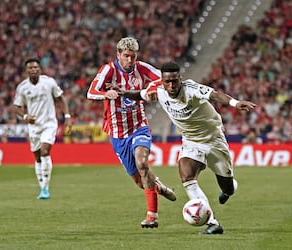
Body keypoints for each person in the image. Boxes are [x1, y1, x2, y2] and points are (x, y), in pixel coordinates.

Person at [116, 61, 257, 234]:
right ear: (162, 81)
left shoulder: (192, 89)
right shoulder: (159, 91)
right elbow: (140, 95)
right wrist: (123, 93)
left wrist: (235, 103)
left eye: (175, 81)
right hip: (191, 141)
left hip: (214, 139)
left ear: (180, 79)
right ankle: (212, 223)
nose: (171, 85)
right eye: (167, 81)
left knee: (227, 186)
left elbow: (215, 95)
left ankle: (229, 189)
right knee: (187, 178)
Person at [86, 37, 176, 229]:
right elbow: (90, 91)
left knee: (143, 163)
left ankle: (152, 216)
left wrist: (149, 89)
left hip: (139, 127)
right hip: (117, 134)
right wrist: (105, 94)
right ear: (118, 54)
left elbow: (163, 79)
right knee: (139, 181)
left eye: (133, 57)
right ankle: (159, 187)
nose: (129, 60)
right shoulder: (108, 70)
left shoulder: (141, 68)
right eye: (126, 56)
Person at [13, 58, 72, 199]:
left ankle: (45, 189)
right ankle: (42, 187)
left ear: (40, 69)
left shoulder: (49, 82)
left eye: (36, 67)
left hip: (49, 123)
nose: (34, 70)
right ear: (26, 71)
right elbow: (16, 107)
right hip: (34, 126)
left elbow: (60, 98)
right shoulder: (22, 87)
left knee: (45, 151)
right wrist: (25, 116)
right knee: (37, 156)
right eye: (31, 68)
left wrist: (67, 116)